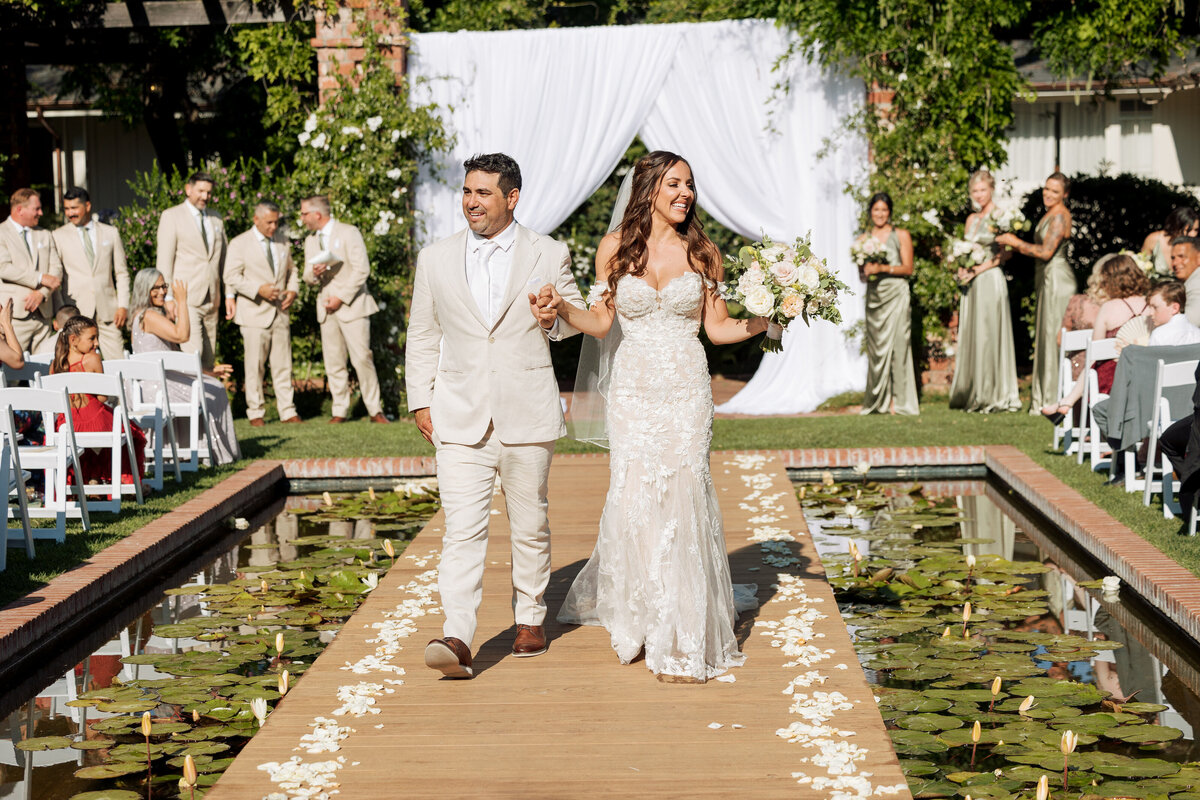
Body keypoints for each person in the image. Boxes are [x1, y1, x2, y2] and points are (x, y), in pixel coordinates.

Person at [546, 151, 772, 683]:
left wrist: (770, 316)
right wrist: (561, 310)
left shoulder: (703, 253)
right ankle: (642, 616)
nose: (685, 193)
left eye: (690, 184)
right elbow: (600, 323)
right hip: (633, 392)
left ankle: (682, 625)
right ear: (648, 187)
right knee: (637, 494)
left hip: (687, 390)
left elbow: (717, 330)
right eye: (674, 183)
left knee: (685, 490)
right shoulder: (614, 249)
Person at [406, 152, 585, 679]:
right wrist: (421, 399)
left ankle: (530, 618)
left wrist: (554, 319)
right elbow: (422, 334)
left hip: (527, 409)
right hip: (457, 415)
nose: (471, 202)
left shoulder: (548, 252)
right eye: (466, 192)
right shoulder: (434, 258)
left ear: (512, 197)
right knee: (461, 530)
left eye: (483, 193)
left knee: (529, 525)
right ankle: (458, 633)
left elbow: (573, 319)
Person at [129, 269, 241, 464]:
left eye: (164, 286)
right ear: (144, 289)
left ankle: (195, 451)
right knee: (212, 392)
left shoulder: (151, 315)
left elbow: (175, 357)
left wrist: (208, 372)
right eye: (156, 287)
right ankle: (207, 454)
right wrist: (182, 301)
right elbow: (182, 336)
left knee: (214, 385)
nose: (162, 291)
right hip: (155, 387)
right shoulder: (147, 316)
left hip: (163, 381)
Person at [299, 195, 388, 424]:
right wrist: (314, 274)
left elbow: (362, 269)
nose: (302, 218)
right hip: (326, 309)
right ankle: (339, 410)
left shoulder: (349, 232)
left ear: (317, 214)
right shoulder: (310, 240)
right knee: (333, 362)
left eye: (304, 214)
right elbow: (306, 276)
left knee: (362, 359)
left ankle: (374, 409)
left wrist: (341, 297)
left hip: (352, 306)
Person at [998, 172, 1076, 414]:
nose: (1048, 194)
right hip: (1046, 278)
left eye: (1055, 191)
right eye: (1046, 189)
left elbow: (1045, 252)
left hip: (1057, 280)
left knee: (1054, 336)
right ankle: (1043, 396)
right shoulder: (1050, 214)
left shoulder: (1061, 216)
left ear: (1065, 194)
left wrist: (1014, 241)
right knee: (1045, 335)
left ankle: (1053, 397)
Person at [1039, 254, 1148, 422]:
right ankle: (1067, 402)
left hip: (1114, 380)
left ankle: (1067, 401)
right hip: (1147, 375)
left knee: (1093, 363)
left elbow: (1095, 353)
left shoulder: (1109, 308)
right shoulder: (1152, 305)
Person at [224, 201, 301, 427]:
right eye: (269, 222)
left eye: (276, 222)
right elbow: (230, 276)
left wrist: (293, 291)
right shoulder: (239, 243)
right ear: (256, 220)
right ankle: (255, 412)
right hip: (253, 314)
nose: (274, 226)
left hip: (280, 312)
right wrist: (258, 289)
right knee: (254, 366)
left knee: (283, 365)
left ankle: (288, 411)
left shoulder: (282, 241)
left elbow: (293, 270)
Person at [948, 170, 1020, 413]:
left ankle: (992, 393)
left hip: (990, 279)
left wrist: (979, 268)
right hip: (972, 283)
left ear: (991, 189)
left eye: (982, 190)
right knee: (974, 333)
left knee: (989, 333)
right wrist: (962, 268)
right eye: (975, 191)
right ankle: (973, 390)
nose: (979, 195)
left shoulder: (1001, 216)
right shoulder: (971, 219)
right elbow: (966, 249)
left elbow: (1006, 253)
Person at [50, 314, 146, 486]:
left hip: (66, 424)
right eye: (92, 338)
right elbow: (103, 397)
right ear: (73, 340)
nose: (96, 343)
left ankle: (90, 478)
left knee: (86, 443)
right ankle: (125, 483)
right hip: (94, 420)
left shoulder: (54, 365)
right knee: (132, 432)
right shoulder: (93, 359)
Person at [155, 171, 227, 369]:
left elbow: (223, 261)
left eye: (209, 192)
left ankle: (207, 399)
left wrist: (229, 294)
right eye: (200, 191)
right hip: (185, 298)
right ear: (188, 189)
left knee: (209, 360)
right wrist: (168, 298)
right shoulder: (171, 216)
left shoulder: (216, 218)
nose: (205, 196)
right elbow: (164, 260)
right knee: (192, 357)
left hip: (212, 297)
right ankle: (192, 399)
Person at [856, 192, 917, 415]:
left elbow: (908, 268)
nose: (880, 214)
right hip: (875, 298)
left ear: (889, 212)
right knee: (877, 350)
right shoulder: (862, 240)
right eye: (876, 210)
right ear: (870, 212)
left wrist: (882, 268)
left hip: (897, 295)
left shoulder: (901, 234)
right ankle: (877, 402)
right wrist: (865, 271)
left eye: (884, 210)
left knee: (900, 347)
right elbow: (862, 276)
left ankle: (902, 404)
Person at [53, 187, 131, 360]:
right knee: (81, 365)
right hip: (76, 311)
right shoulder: (58, 236)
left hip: (109, 312)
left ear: (87, 206)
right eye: (66, 209)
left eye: (74, 208)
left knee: (117, 362)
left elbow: (122, 273)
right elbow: (56, 277)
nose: (70, 213)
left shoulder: (111, 233)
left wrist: (123, 305)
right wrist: (62, 311)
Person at [0, 188, 62, 354]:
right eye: (36, 209)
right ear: (20, 209)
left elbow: (56, 269)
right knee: (12, 371)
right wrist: (40, 278)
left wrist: (42, 293)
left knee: (44, 369)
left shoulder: (45, 234)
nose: (41, 213)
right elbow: (3, 268)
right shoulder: (1, 232)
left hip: (44, 314)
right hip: (15, 316)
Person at [1058, 256, 1112, 382]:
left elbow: (1060, 339)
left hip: (1076, 372)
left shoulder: (1077, 301)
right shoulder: (1120, 307)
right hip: (1107, 372)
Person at [1143, 207, 1200, 277]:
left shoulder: (1195, 246)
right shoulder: (1154, 239)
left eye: (1196, 230)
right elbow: (1141, 268)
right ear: (1176, 226)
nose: (1193, 234)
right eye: (1188, 230)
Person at [1146, 281, 1200, 346]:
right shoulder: (1196, 333)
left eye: (1155, 307)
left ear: (1175, 308)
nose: (1150, 313)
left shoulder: (1159, 335)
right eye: (1150, 307)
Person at [1170, 237, 1200, 328]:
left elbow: (1192, 322)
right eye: (1173, 258)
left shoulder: (1197, 283)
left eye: (1181, 257)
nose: (1175, 263)